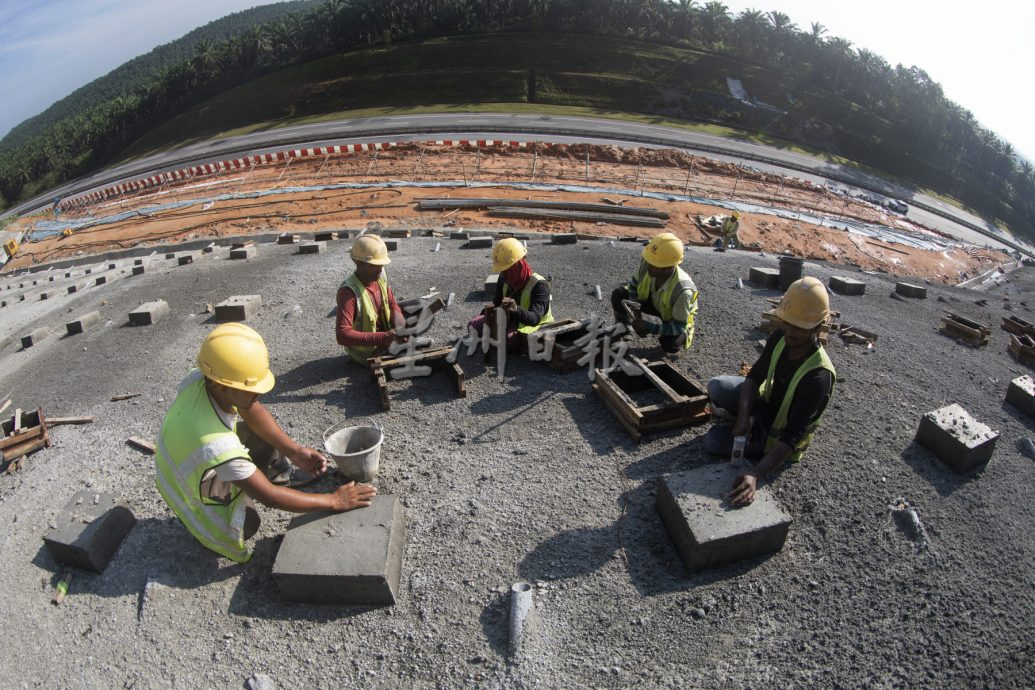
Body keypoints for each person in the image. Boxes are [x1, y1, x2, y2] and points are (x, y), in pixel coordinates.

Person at [154, 323, 376, 563]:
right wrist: (335, 500)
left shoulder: (202, 378)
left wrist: (294, 451)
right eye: (250, 389)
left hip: (191, 462)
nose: (259, 394)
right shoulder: (218, 447)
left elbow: (252, 410)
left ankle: (273, 478)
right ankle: (225, 514)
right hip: (193, 495)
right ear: (222, 387)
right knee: (249, 522)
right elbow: (270, 497)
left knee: (253, 431)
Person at [703, 277, 835, 507]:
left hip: (776, 438)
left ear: (817, 327)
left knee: (712, 443)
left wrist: (754, 475)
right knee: (717, 385)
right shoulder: (780, 338)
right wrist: (744, 417)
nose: (791, 332)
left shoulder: (818, 376)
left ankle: (750, 431)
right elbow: (754, 378)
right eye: (788, 323)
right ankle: (743, 420)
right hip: (763, 406)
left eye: (800, 327)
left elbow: (792, 436)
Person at [611, 232, 699, 354]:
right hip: (653, 300)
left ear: (669, 267)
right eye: (649, 261)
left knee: (670, 344)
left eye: (654, 265)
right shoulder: (648, 263)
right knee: (619, 294)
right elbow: (632, 288)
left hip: (673, 315)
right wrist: (637, 317)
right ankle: (623, 328)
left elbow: (679, 325)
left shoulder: (682, 291)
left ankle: (683, 336)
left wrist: (649, 327)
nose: (648, 266)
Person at [467, 237, 554, 350]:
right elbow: (497, 302)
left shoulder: (540, 285)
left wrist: (515, 309)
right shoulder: (504, 277)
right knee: (473, 325)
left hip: (533, 325)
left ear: (519, 264)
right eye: (502, 271)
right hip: (510, 319)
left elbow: (534, 319)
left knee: (509, 340)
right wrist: (495, 312)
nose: (504, 275)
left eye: (507, 269)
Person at [336, 235, 408, 365]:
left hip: (385, 337)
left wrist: (400, 327)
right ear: (359, 263)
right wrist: (383, 338)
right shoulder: (349, 292)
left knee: (419, 305)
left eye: (381, 264)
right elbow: (342, 335)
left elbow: (392, 305)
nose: (380, 270)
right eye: (374, 265)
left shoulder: (379, 277)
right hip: (367, 352)